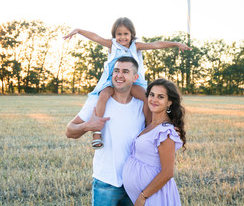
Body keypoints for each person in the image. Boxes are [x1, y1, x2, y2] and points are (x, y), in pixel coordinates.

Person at [63, 17, 191, 149]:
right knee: (104, 95)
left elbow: (156, 44)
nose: (122, 37)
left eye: (126, 34)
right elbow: (96, 37)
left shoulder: (136, 46)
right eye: (119, 34)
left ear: (131, 35)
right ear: (114, 35)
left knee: (146, 98)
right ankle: (97, 133)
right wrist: (78, 30)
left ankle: (149, 129)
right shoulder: (112, 45)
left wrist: (175, 44)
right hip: (111, 81)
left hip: (134, 82)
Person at [66, 56, 146, 206]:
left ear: (135, 77)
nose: (119, 75)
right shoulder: (96, 103)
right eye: (116, 71)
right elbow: (69, 131)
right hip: (105, 181)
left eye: (125, 71)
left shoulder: (142, 105)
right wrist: (87, 126)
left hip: (134, 182)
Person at [122, 78, 186, 206]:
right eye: (151, 95)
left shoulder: (165, 132)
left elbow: (167, 172)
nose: (154, 99)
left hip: (155, 196)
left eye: (160, 97)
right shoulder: (152, 125)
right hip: (147, 195)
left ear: (169, 102)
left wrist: (143, 196)